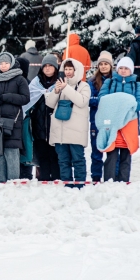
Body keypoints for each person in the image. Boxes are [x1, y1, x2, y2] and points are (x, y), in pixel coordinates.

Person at [0, 52, 30, 182]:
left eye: (6, 63)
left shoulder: (20, 79)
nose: (3, 66)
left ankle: (13, 184)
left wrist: (7, 97)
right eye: (1, 63)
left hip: (13, 122)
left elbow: (25, 98)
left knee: (12, 153)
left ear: (11, 64)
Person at [98, 57, 140, 182]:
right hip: (112, 123)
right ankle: (109, 180)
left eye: (126, 68)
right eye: (121, 68)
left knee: (126, 154)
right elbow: (102, 99)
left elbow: (139, 103)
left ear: (131, 71)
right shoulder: (109, 82)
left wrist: (122, 106)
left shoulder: (137, 84)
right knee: (111, 153)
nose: (123, 71)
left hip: (129, 123)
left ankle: (124, 181)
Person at [45, 59, 90, 187]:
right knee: (63, 161)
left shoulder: (84, 86)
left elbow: (81, 101)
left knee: (78, 160)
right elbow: (49, 104)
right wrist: (56, 92)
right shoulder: (58, 84)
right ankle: (67, 186)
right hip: (60, 131)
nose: (68, 72)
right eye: (66, 69)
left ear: (77, 71)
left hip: (76, 131)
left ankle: (80, 185)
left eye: (71, 69)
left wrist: (67, 88)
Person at [26, 54, 60, 181]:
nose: (47, 68)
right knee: (42, 156)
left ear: (55, 68)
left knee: (55, 156)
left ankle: (57, 179)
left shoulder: (60, 83)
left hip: (55, 125)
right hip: (39, 125)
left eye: (50, 65)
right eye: (45, 66)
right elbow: (29, 102)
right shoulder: (36, 84)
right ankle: (44, 180)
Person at [88, 51, 113, 182]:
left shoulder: (116, 80)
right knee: (96, 152)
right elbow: (89, 99)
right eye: (101, 64)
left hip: (111, 121)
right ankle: (96, 177)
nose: (103, 66)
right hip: (96, 120)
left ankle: (112, 176)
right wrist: (103, 100)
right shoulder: (92, 81)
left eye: (106, 64)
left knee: (112, 151)